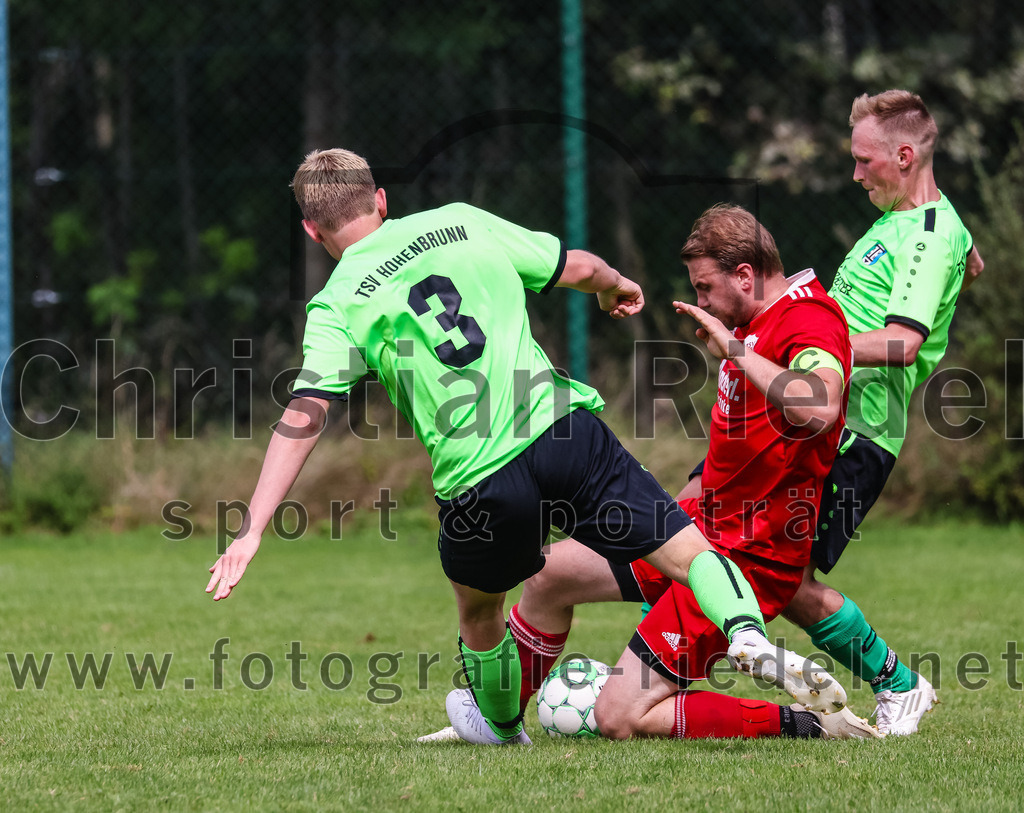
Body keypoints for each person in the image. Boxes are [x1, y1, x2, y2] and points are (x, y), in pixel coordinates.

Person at [205, 150, 844, 747]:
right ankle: (747, 635)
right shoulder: (458, 223)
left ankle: (502, 725)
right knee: (689, 551)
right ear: (380, 198)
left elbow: (306, 413)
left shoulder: (336, 303)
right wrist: (614, 286)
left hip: (479, 478)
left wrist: (254, 527)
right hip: (563, 431)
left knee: (479, 608)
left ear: (314, 233)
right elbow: (581, 267)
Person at [422, 204, 877, 744]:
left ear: (746, 275)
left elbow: (821, 406)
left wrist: (734, 349)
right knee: (548, 575)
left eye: (705, 288)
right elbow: (737, 456)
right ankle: (497, 723)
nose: (702, 301)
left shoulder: (809, 318)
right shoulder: (757, 323)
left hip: (748, 555)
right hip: (704, 528)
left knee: (621, 716)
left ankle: (811, 724)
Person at [779, 90, 984, 736]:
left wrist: (809, 348)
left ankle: (897, 682)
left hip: (856, 432)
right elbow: (972, 262)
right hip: (831, 419)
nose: (855, 174)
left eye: (864, 161)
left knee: (779, 575)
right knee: (765, 564)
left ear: (902, 155)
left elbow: (902, 342)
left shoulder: (926, 232)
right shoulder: (916, 223)